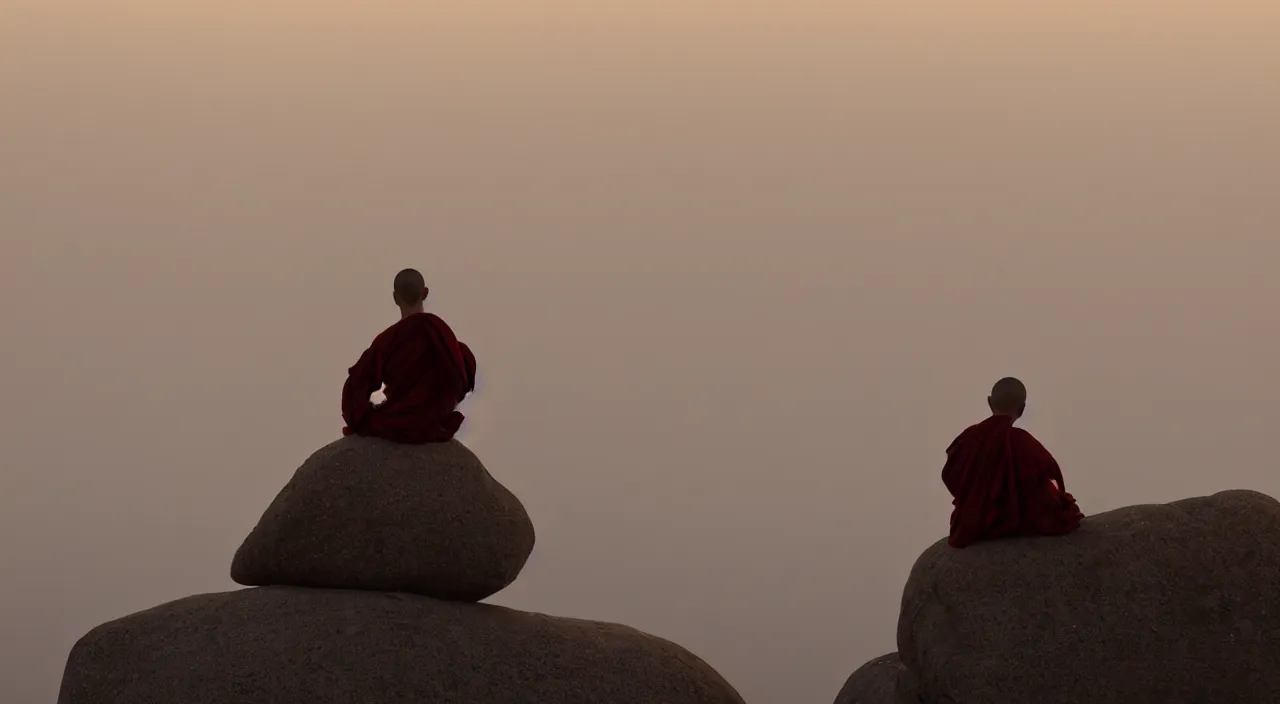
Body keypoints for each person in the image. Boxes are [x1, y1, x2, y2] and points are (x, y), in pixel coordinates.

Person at [941, 377, 1084, 548]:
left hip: (972, 521)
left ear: (989, 402)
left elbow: (951, 476)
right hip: (1017, 518)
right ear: (1022, 408)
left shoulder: (968, 439)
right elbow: (1051, 475)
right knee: (1064, 509)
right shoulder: (1022, 441)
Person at [340, 268, 477, 444]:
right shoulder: (443, 334)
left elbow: (356, 387)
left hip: (399, 419)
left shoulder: (387, 341)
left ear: (395, 298)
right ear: (425, 293)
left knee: (376, 421)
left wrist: (363, 417)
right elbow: (462, 376)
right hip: (434, 419)